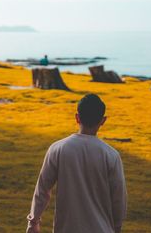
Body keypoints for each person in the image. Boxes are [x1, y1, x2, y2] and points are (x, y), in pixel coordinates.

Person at [26, 94, 127, 233]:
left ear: (77, 118)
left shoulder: (58, 148)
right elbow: (118, 199)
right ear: (103, 121)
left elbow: (42, 190)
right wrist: (117, 227)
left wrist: (33, 222)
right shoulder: (111, 155)